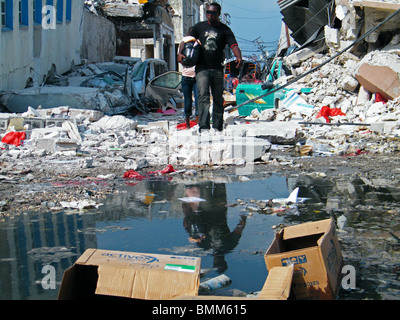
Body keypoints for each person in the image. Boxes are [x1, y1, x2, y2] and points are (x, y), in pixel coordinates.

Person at [190, 2, 242, 132]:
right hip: (202, 67)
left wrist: (238, 56)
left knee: (218, 97)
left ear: (219, 14)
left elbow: (233, 45)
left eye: (213, 13)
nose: (210, 15)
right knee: (203, 96)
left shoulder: (225, 30)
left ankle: (217, 126)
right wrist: (180, 53)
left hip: (218, 68)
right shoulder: (199, 27)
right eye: (208, 12)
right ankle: (204, 126)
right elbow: (187, 40)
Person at [177, 29, 199, 129]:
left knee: (188, 100)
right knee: (198, 100)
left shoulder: (182, 44)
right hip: (196, 76)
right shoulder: (197, 44)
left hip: (186, 76)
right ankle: (197, 122)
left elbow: (180, 60)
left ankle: (188, 124)